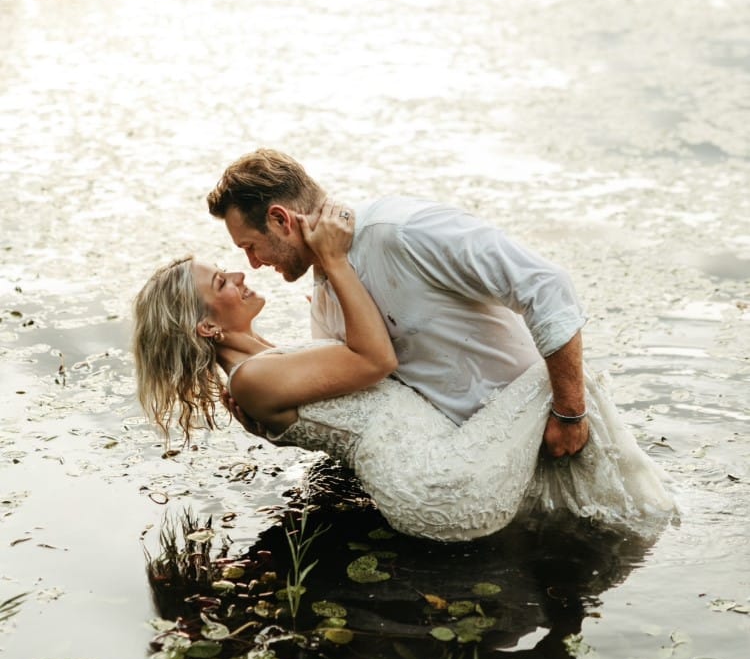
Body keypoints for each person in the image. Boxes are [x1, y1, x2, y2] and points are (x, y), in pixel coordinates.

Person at [133, 203, 676, 542]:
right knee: (563, 383)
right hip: (437, 488)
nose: (239, 271)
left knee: (558, 385)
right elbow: (377, 361)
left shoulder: (261, 369)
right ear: (205, 328)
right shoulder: (252, 380)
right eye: (221, 281)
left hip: (434, 477)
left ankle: (612, 513)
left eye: (239, 256)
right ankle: (648, 515)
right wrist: (340, 263)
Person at [206, 149, 589, 459]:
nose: (253, 264)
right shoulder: (325, 300)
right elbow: (368, 403)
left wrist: (569, 412)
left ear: (280, 219)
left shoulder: (406, 231)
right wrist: (272, 417)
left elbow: (545, 285)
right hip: (473, 462)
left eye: (250, 247)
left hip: (548, 433)